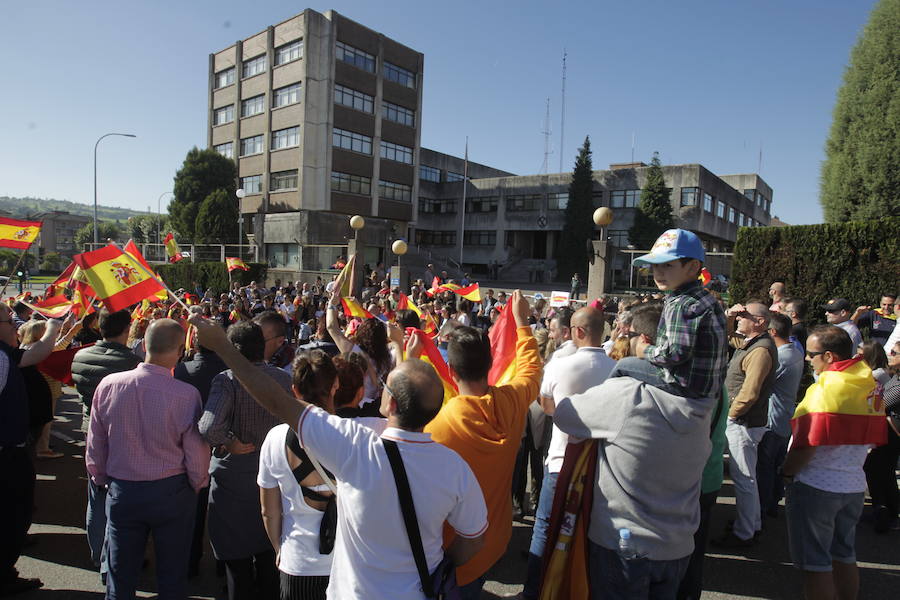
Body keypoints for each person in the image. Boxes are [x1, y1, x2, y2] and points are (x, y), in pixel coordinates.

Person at [188, 315, 488, 600]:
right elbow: (474, 538)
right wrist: (440, 563)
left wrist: (223, 347)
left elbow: (278, 402)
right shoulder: (455, 467)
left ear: (392, 403)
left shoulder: (356, 446)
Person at [551, 301, 715, 599]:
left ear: (646, 341)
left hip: (625, 545)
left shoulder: (628, 394)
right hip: (678, 545)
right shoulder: (702, 401)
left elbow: (565, 414)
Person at [422, 290, 542, 598]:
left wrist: (405, 358)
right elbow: (531, 370)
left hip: (454, 552)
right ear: (490, 363)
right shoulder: (513, 402)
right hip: (494, 540)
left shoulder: (437, 427)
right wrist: (521, 322)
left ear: (450, 370)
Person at [85, 318, 211, 600]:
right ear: (181, 350)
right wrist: (197, 483)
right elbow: (195, 451)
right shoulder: (186, 395)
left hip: (123, 488)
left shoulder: (109, 385)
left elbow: (96, 442)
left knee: (120, 572)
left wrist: (101, 478)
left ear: (143, 345)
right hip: (172, 490)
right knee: (172, 573)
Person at [781, 325, 885, 600]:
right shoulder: (868, 384)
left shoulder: (823, 390)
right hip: (852, 486)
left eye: (811, 354)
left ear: (828, 356)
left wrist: (787, 472)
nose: (806, 359)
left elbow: (806, 445)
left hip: (817, 485)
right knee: (844, 554)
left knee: (815, 565)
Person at [521, 306, 616, 600]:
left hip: (561, 457)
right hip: (600, 461)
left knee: (545, 525)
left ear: (577, 332)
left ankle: (533, 591)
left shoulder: (560, 366)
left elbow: (545, 405)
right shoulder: (616, 368)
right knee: (589, 528)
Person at [199, 321, 293, 600]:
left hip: (237, 477)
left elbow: (208, 427)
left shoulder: (227, 380)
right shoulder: (282, 378)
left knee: (237, 562)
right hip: (275, 473)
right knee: (269, 554)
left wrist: (229, 441)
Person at [258, 351, 338, 600]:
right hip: (348, 564)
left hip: (297, 562)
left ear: (294, 389)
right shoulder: (353, 436)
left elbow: (268, 511)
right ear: (335, 386)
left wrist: (278, 547)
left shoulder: (274, 438)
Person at [612, 229, 728, 401]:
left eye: (667, 265)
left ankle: (608, 408)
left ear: (693, 267)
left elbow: (675, 353)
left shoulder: (681, 303)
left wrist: (645, 350)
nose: (658, 272)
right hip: (706, 387)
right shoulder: (704, 297)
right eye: (655, 265)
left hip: (684, 387)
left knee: (623, 366)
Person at [70, 308, 142, 575]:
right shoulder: (133, 364)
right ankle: (114, 558)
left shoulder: (80, 356)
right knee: (121, 501)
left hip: (91, 432)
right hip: (124, 436)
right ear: (127, 330)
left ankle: (97, 553)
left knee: (96, 497)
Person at [0, 308, 60, 596]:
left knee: (15, 511)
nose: (15, 327)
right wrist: (53, 328)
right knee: (12, 511)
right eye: (9, 322)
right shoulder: (1, 357)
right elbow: (35, 355)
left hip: (13, 447)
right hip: (6, 453)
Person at [712, 301, 777, 548]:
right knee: (746, 478)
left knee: (744, 479)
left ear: (759, 321)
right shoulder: (751, 344)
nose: (740, 318)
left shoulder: (760, 350)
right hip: (743, 422)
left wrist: (729, 416)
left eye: (744, 315)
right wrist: (730, 316)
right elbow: (727, 336)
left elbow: (750, 392)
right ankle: (751, 523)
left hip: (743, 423)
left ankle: (745, 532)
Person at [174, 343, 228, 578]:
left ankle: (189, 563)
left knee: (192, 511)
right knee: (222, 514)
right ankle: (222, 565)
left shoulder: (180, 370)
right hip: (222, 448)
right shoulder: (228, 371)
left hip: (186, 448)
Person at [755, 312, 805, 520]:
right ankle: (773, 503)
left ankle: (764, 508)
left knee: (765, 467)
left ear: (773, 332)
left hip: (772, 418)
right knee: (775, 464)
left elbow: (760, 382)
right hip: (784, 416)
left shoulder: (781, 357)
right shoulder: (794, 351)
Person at [861, 341, 899, 533]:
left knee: (876, 469)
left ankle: (883, 510)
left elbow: (882, 403)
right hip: (889, 430)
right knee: (884, 470)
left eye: (895, 352)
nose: (890, 353)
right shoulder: (894, 378)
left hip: (892, 432)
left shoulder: (897, 383)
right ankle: (888, 510)